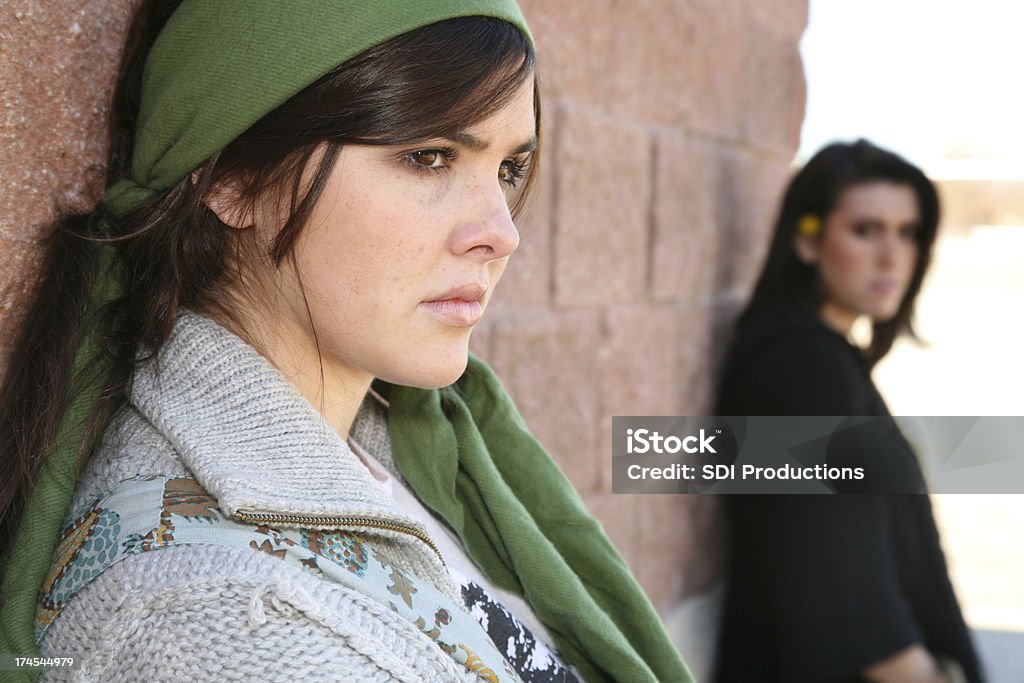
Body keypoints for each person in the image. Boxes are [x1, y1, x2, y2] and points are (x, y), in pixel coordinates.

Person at [0, 2, 694, 681]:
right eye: (429, 156)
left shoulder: (420, 451)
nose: (500, 233)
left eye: (509, 169)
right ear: (233, 179)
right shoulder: (230, 625)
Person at [713, 140, 982, 683]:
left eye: (908, 232)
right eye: (866, 230)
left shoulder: (818, 356)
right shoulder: (803, 367)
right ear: (807, 242)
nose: (892, 256)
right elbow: (848, 592)